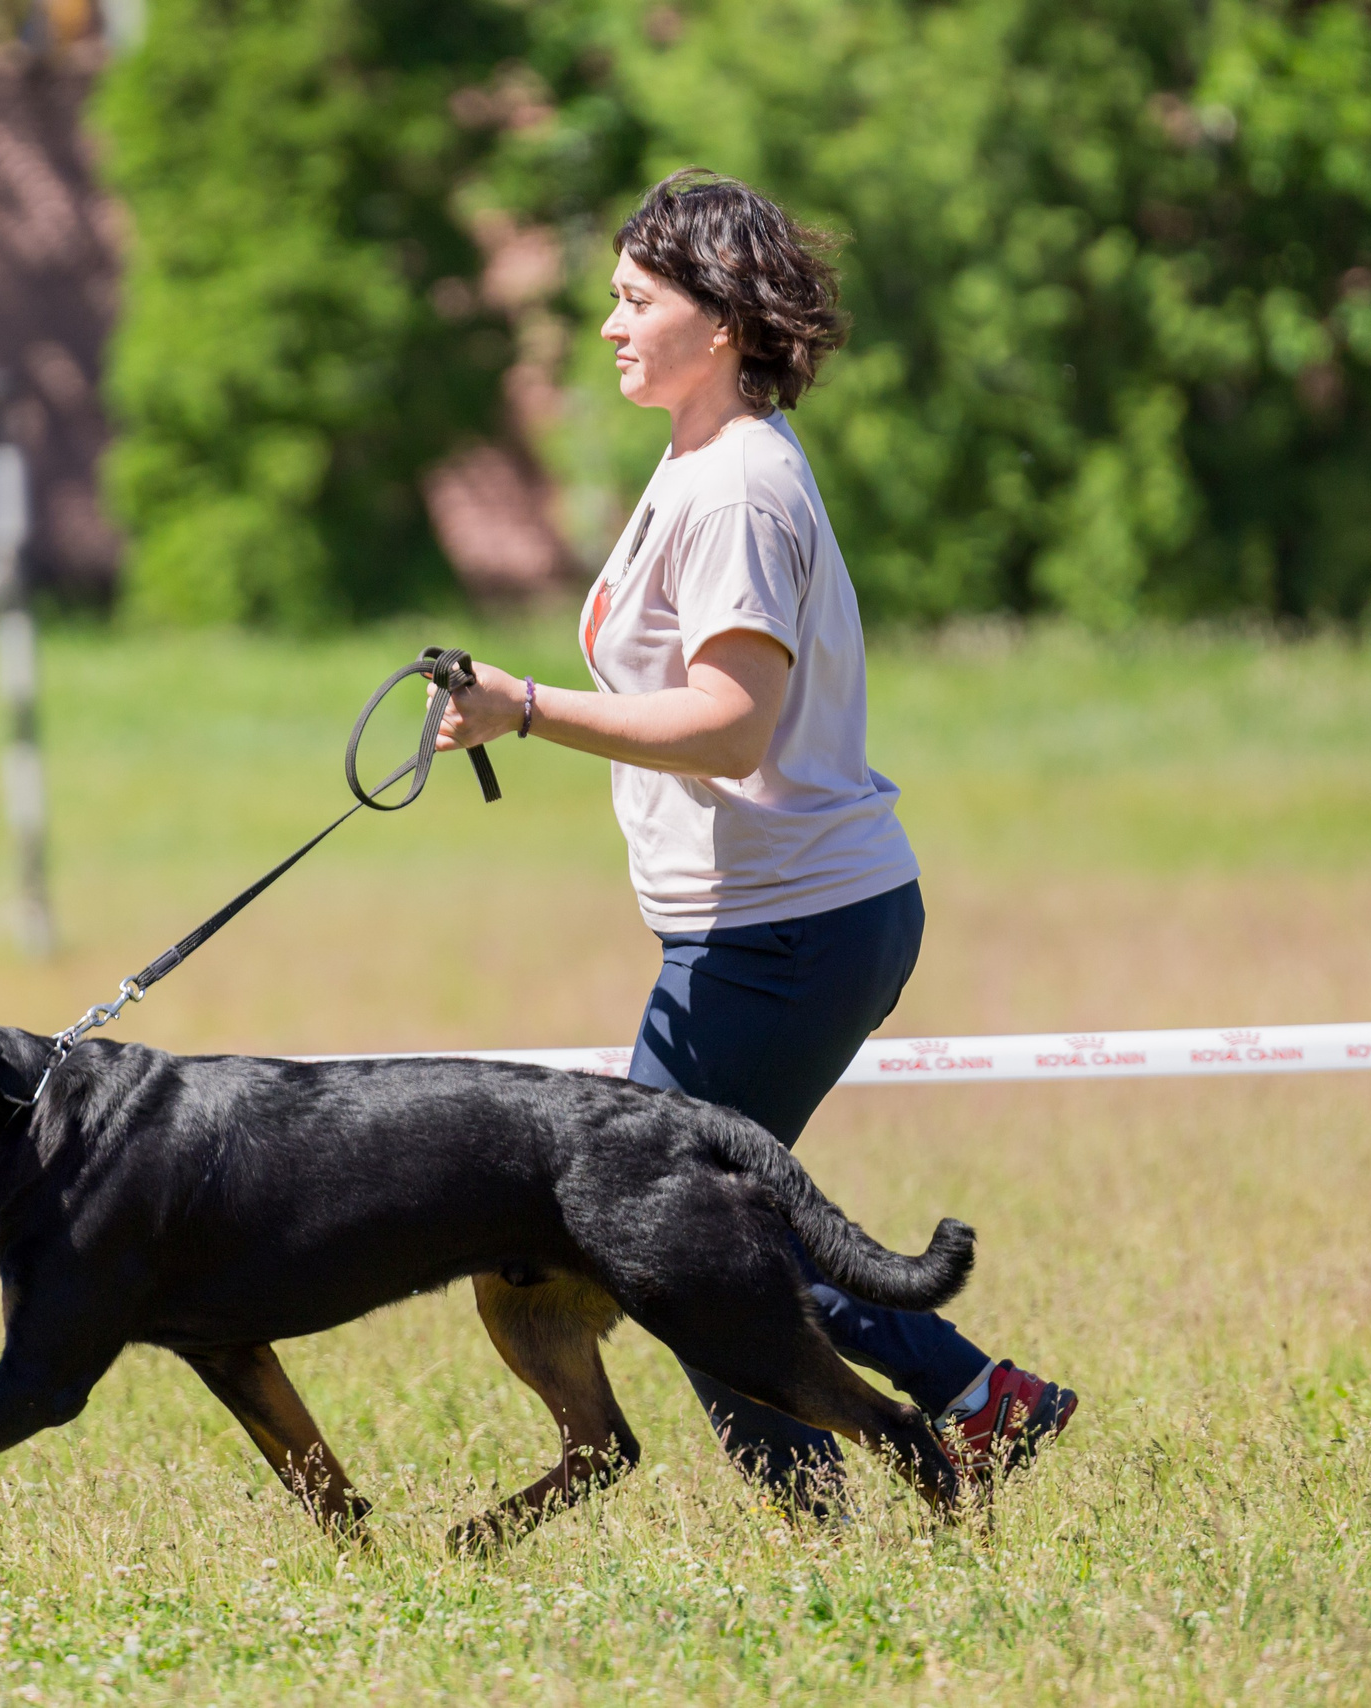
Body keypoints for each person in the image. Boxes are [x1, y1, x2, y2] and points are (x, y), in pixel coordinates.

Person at [435, 169, 1075, 1506]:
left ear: (719, 320)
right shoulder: (699, 464)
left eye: (633, 298)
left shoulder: (735, 487)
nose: (607, 324)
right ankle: (958, 1415)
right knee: (701, 1225)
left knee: (677, 1234)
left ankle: (872, 1482)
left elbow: (733, 726)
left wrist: (527, 709)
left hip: (786, 930)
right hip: (770, 926)